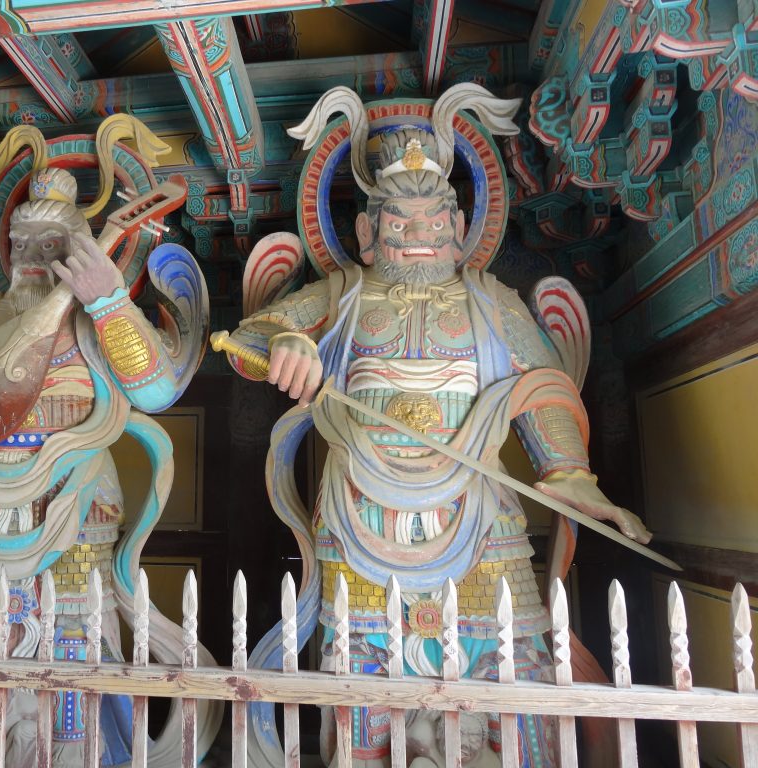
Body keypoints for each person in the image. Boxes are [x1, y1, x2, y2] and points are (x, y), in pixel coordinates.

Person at [220, 87, 650, 767]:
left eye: (432, 220)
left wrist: (569, 473)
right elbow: (243, 342)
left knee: (512, 661)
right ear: (367, 233)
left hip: (479, 517)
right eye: (400, 223)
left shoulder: (491, 300)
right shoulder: (341, 296)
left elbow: (542, 388)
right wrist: (285, 340)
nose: (418, 237)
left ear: (459, 225)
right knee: (361, 669)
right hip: (358, 516)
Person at [0, 123, 215, 766]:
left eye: (50, 243)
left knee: (73, 650)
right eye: (21, 241)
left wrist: (109, 300)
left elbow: (159, 389)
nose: (33, 256)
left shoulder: (98, 323)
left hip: (74, 506)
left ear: (78, 247)